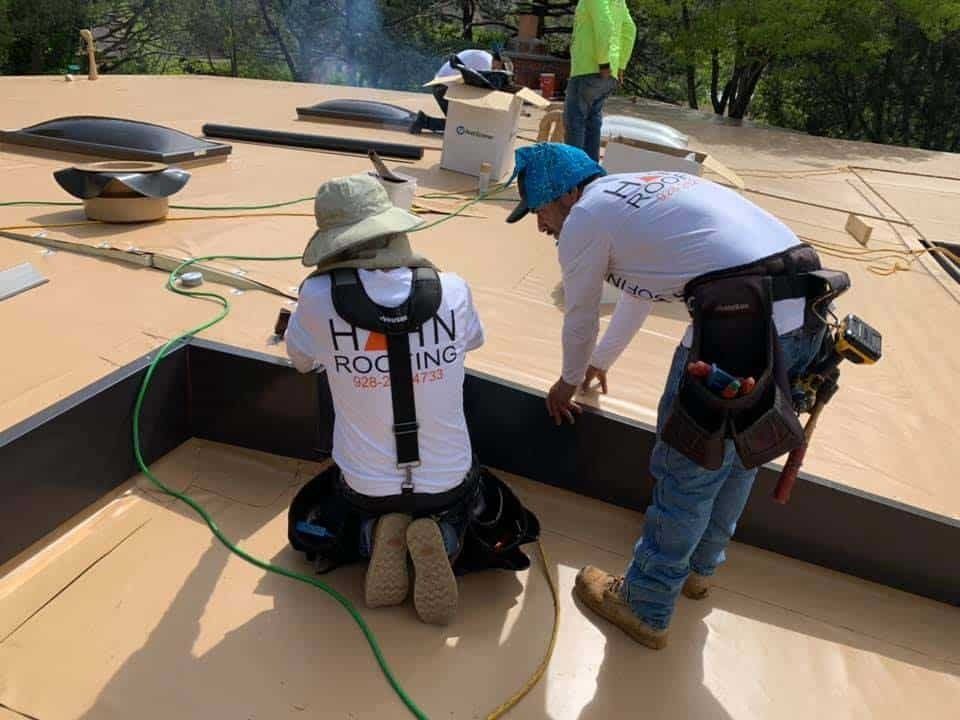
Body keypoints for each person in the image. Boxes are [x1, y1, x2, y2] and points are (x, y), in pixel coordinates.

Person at [504, 143, 829, 648]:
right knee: (739, 455)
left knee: (688, 469)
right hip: (804, 315)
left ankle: (646, 604)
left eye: (539, 210)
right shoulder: (637, 194)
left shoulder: (585, 218)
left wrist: (567, 381)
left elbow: (581, 314)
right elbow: (641, 290)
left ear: (567, 194)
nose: (541, 226)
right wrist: (599, 361)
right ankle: (700, 568)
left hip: (738, 330)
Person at [284, 174, 486, 625]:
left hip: (366, 484)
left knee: (345, 495)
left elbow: (301, 362)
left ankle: (375, 534)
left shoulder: (316, 297)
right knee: (465, 491)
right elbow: (473, 342)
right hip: (446, 478)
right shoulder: (454, 288)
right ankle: (444, 536)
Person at [565, 0, 637, 161]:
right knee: (593, 123)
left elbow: (603, 22)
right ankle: (590, 172)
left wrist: (603, 62)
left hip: (589, 69)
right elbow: (630, 30)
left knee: (575, 122)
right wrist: (620, 65)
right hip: (609, 73)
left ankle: (573, 172)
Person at [431, 48, 507, 115]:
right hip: (444, 88)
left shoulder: (485, 57)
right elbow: (481, 90)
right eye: (501, 69)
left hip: (442, 85)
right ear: (500, 62)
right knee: (463, 120)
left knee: (461, 120)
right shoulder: (487, 64)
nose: (498, 72)